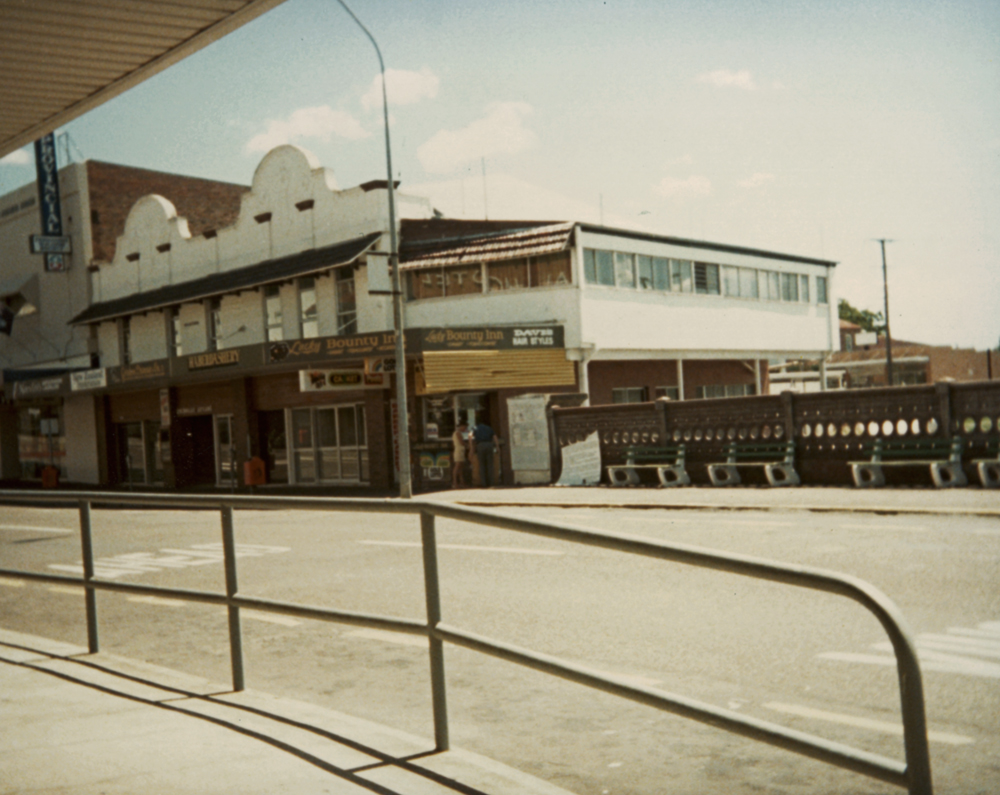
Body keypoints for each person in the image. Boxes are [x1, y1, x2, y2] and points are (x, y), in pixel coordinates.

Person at [470, 420, 499, 487]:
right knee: (490, 464)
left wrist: (471, 447)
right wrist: (497, 446)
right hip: (489, 445)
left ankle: (483, 483)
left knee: (481, 465)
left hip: (480, 445)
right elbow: (495, 437)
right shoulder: (489, 428)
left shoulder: (475, 428)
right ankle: (491, 483)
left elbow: (470, 436)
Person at [451, 422, 468, 489]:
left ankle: (461, 482)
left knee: (460, 467)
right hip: (459, 450)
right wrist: (468, 445)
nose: (465, 429)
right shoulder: (457, 433)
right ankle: (455, 483)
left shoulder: (457, 433)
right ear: (462, 426)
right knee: (457, 466)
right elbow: (461, 442)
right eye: (465, 427)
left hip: (460, 450)